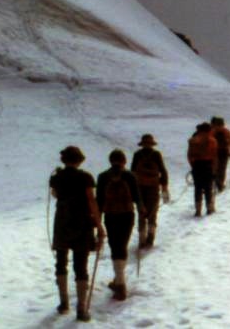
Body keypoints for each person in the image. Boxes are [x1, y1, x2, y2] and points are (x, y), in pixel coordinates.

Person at [49, 145, 106, 322]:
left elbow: (55, 195)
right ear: (79, 160)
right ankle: (81, 308)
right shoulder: (85, 178)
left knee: (61, 261)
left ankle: (63, 303)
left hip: (62, 223)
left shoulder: (56, 177)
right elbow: (91, 201)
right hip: (82, 223)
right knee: (80, 265)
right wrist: (99, 224)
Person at [96, 149, 143, 301]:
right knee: (122, 245)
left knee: (115, 246)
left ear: (110, 161)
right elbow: (137, 197)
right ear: (124, 161)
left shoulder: (103, 177)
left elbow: (99, 201)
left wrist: (97, 221)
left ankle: (119, 282)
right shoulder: (130, 176)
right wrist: (143, 211)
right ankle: (120, 283)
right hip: (127, 214)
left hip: (110, 215)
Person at [130, 134, 169, 248]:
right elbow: (163, 171)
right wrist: (164, 186)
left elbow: (132, 171)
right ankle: (150, 238)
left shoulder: (137, 154)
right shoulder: (156, 154)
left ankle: (142, 239)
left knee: (141, 213)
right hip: (153, 187)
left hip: (140, 187)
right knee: (152, 214)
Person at [187, 122, 218, 216]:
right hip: (208, 165)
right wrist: (215, 169)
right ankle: (209, 208)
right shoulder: (212, 140)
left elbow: (189, 155)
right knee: (208, 188)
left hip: (197, 165)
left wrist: (193, 166)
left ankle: (198, 210)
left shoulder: (192, 140)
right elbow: (214, 156)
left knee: (198, 188)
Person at [210, 117, 230, 191]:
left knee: (218, 168)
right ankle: (219, 184)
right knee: (221, 169)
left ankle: (219, 183)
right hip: (222, 152)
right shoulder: (227, 131)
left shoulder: (212, 132)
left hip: (218, 152)